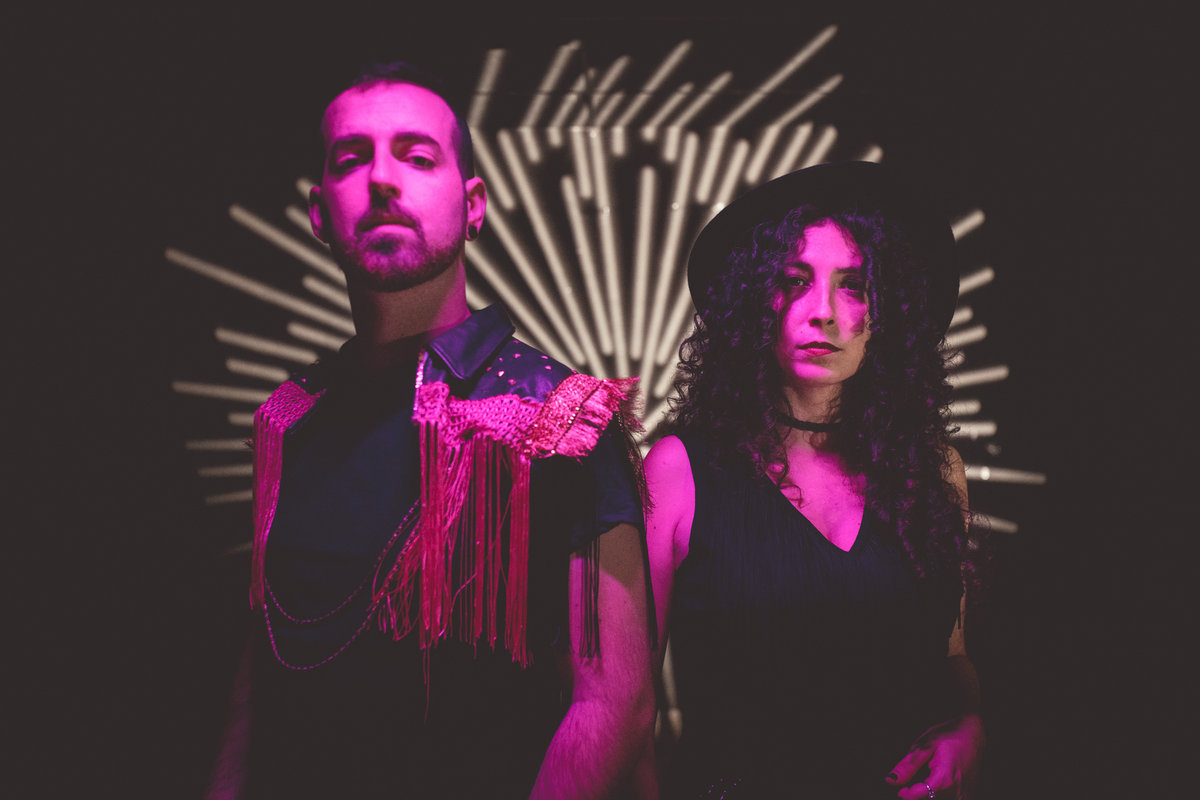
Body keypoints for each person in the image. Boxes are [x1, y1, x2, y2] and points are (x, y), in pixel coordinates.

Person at [206, 62, 654, 799]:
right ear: (319, 213)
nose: (383, 180)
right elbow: (263, 670)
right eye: (352, 159)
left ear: (473, 205)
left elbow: (616, 705)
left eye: (416, 157)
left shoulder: (560, 418)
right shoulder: (289, 419)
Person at [642, 162, 986, 799]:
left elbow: (952, 655)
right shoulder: (679, 473)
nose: (822, 312)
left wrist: (968, 725)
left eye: (855, 286)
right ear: (754, 300)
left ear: (888, 312)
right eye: (793, 281)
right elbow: (629, 711)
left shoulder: (937, 472)